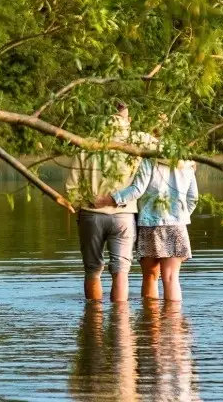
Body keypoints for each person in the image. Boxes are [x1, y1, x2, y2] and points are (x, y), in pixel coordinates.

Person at [93, 156, 198, 302]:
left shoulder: (149, 160)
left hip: (149, 225)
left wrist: (111, 199)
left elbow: (137, 189)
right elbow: (193, 198)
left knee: (150, 277)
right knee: (172, 278)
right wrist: (180, 216)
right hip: (177, 226)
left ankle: (150, 321)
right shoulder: (188, 163)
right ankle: (174, 322)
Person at [65, 104, 139, 302]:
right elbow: (141, 184)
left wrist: (83, 206)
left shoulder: (86, 146)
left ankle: (93, 323)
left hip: (91, 215)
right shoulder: (134, 148)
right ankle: (121, 324)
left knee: (92, 270)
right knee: (121, 271)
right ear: (126, 121)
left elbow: (71, 187)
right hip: (124, 214)